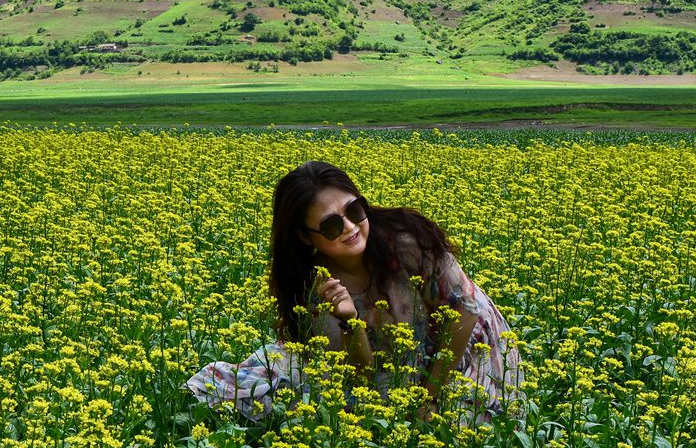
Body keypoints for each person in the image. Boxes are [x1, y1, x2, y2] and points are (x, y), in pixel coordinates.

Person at [186, 161, 523, 423]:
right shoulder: (316, 288)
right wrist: (349, 320)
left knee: (456, 431)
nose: (349, 228)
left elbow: (465, 310)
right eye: (332, 225)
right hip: (383, 370)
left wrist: (430, 396)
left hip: (457, 347)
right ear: (306, 237)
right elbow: (360, 375)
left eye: (354, 211)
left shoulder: (407, 241)